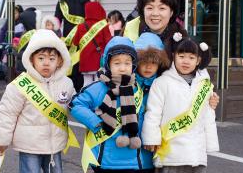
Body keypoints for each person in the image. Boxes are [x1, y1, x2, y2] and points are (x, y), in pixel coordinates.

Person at [123, 0, 220, 106]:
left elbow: (194, 72)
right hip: (133, 102)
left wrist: (210, 96)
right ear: (142, 10)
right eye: (150, 7)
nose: (155, 13)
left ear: (171, 12)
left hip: (167, 106)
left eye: (162, 8)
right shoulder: (130, 29)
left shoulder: (181, 38)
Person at [0, 29, 75, 173]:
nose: (46, 63)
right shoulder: (20, 85)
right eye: (41, 58)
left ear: (60, 60)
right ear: (31, 59)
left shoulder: (66, 83)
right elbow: (7, 114)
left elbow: (76, 105)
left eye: (52, 59)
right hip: (29, 145)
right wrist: (1, 141)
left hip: (54, 145)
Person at [69, 36, 154, 173]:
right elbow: (75, 104)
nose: (122, 68)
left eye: (127, 63)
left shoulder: (137, 87)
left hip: (133, 157)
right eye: (117, 63)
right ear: (108, 64)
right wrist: (96, 123)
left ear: (133, 65)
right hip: (105, 159)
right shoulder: (98, 88)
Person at [142, 36, 219, 173]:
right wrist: (151, 139)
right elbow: (153, 113)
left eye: (191, 57)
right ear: (173, 56)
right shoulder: (162, 82)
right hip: (170, 153)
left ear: (198, 60)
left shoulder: (205, 85)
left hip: (197, 153)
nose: (186, 61)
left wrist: (211, 143)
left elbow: (208, 116)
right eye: (181, 56)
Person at [134, 32, 171, 172]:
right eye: (143, 62)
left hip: (152, 147)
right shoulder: (126, 84)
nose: (148, 67)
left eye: (153, 62)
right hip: (128, 147)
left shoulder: (163, 85)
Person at [71, 1, 112, 90]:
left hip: (85, 62)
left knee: (86, 84)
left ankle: (85, 101)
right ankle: (97, 102)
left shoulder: (81, 26)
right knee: (99, 83)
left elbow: (75, 42)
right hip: (98, 61)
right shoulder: (103, 25)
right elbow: (109, 42)